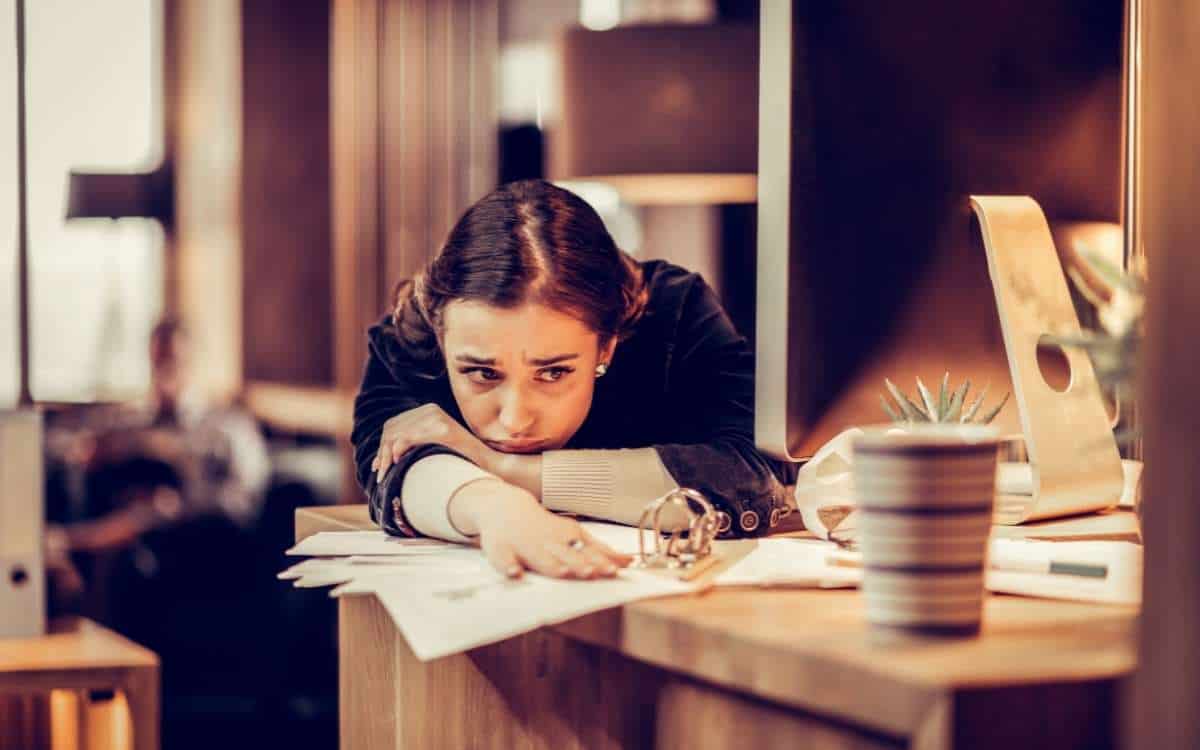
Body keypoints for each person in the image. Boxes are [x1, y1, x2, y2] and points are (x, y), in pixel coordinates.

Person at [351, 179, 796, 580]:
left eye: (553, 372)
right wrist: (495, 507)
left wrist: (504, 468)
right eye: (483, 373)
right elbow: (392, 472)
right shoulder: (409, 334)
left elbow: (754, 478)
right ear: (441, 336)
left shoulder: (675, 315)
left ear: (607, 345)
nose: (515, 419)